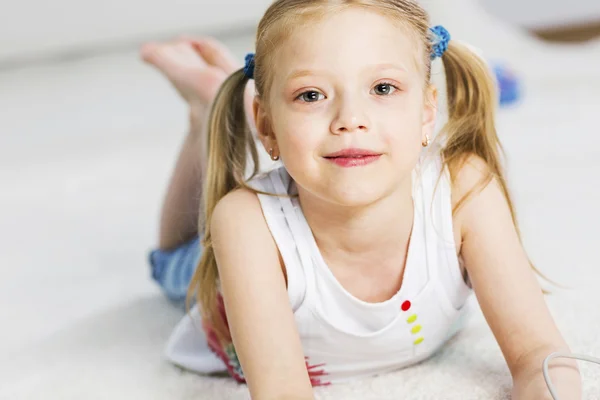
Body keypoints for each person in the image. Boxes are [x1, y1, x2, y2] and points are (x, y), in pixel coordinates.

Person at [142, 1, 581, 398]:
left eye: (383, 89)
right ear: (267, 126)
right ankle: (204, 113)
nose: (351, 120)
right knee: (173, 266)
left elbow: (539, 354)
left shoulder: (463, 190)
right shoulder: (246, 222)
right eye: (311, 95)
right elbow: (282, 391)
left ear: (427, 110)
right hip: (237, 272)